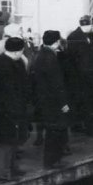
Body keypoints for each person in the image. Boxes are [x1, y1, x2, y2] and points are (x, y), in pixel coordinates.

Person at [0, 37, 31, 181]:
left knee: (14, 140)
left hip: (12, 108)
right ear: (17, 51)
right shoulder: (5, 65)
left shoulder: (5, 62)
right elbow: (5, 91)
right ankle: (3, 173)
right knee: (5, 142)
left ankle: (12, 168)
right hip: (5, 111)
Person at [31, 31, 70, 170]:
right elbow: (56, 83)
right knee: (55, 130)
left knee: (51, 130)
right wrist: (63, 103)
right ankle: (52, 161)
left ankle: (53, 160)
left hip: (44, 98)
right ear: (56, 42)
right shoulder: (51, 58)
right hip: (53, 101)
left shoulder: (41, 55)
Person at [65, 15, 93, 136]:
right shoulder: (74, 37)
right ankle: (85, 127)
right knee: (82, 101)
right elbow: (70, 58)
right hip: (79, 75)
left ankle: (85, 125)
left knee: (87, 100)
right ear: (89, 25)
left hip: (89, 73)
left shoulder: (90, 35)